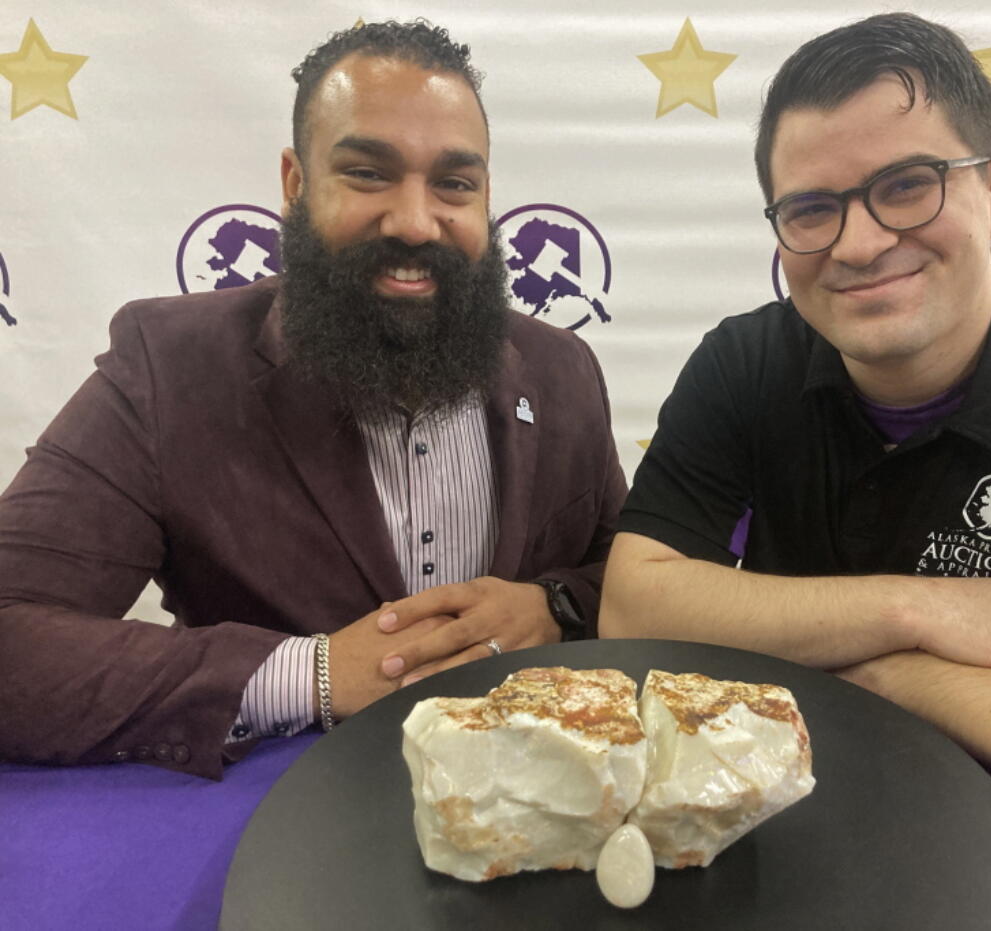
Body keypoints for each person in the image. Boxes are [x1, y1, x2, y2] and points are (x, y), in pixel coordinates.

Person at [601, 12, 991, 872]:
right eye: (813, 209)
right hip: (770, 850)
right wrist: (920, 610)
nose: (859, 243)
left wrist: (891, 673)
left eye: (907, 184)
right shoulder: (743, 362)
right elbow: (633, 606)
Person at [0, 20, 626, 780]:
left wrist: (554, 606)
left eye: (453, 184)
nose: (415, 220)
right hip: (275, 840)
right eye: (368, 173)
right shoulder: (168, 367)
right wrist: (316, 675)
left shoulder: (563, 371)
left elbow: (625, 576)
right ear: (296, 185)